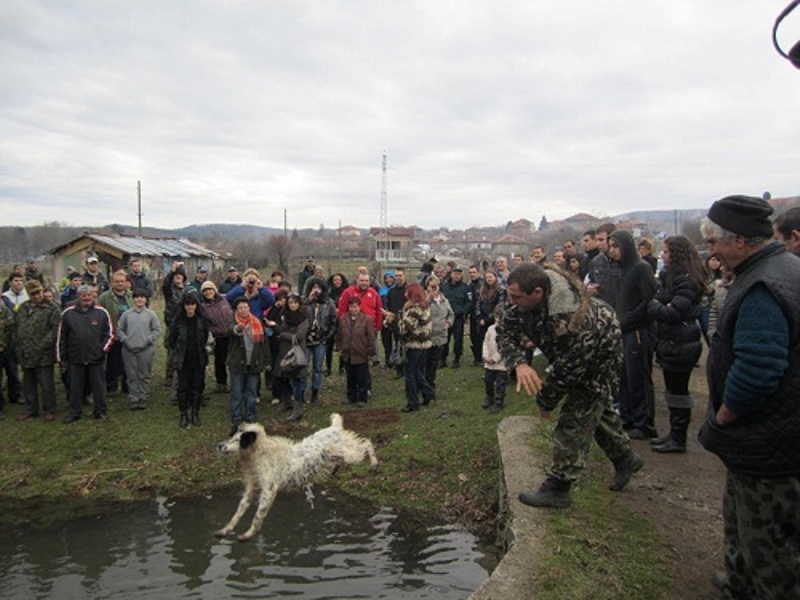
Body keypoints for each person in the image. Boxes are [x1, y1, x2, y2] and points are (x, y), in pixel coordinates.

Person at [695, 195, 800, 598]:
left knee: (769, 542)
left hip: (768, 437)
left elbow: (759, 369)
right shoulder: (782, 269)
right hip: (768, 436)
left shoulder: (763, 286)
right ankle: (738, 581)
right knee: (739, 519)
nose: (712, 253)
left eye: (714, 244)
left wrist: (726, 413)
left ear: (739, 240)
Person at [500, 263, 644, 508]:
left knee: (576, 416)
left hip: (600, 355)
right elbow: (505, 332)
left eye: (517, 297)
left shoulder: (573, 318)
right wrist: (519, 364)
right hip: (570, 355)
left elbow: (569, 370)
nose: (512, 301)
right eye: (509, 295)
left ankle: (558, 487)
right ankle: (625, 458)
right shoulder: (520, 302)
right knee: (597, 411)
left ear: (537, 293)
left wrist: (546, 399)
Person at [647, 235, 705, 453]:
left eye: (666, 252)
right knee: (672, 390)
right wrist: (660, 304)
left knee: (679, 391)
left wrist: (655, 306)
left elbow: (671, 311)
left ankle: (679, 438)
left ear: (677, 254)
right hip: (673, 340)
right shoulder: (672, 277)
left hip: (682, 342)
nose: (662, 255)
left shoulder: (687, 280)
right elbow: (662, 300)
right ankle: (673, 433)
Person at [607, 229, 658, 439]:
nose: (612, 251)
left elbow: (649, 300)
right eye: (610, 246)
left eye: (615, 246)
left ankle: (644, 422)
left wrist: (628, 320)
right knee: (625, 377)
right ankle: (628, 417)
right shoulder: (622, 269)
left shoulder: (641, 268)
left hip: (638, 331)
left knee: (638, 378)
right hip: (624, 331)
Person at [59, 285, 114, 423]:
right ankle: (74, 412)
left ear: (93, 296)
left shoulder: (102, 313)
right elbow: (61, 336)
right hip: (75, 358)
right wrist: (62, 356)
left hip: (96, 358)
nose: (86, 298)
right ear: (78, 297)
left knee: (98, 387)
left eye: (89, 295)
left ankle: (100, 411)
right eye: (83, 295)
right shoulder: (68, 313)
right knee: (75, 387)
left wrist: (102, 350)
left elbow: (110, 334)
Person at [16, 280, 60, 421]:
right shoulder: (23, 307)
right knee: (28, 384)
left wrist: (41, 346)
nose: (37, 296)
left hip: (43, 354)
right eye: (33, 293)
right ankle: (31, 410)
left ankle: (49, 410)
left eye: (39, 292)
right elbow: (19, 327)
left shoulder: (52, 308)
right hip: (25, 353)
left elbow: (54, 331)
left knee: (46, 384)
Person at [227, 296, 268, 435]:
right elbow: (229, 331)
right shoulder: (233, 322)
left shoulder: (256, 322)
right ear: (236, 310)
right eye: (240, 308)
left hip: (253, 363)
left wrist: (265, 361)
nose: (244, 310)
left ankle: (250, 417)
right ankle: (237, 419)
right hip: (237, 363)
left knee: (251, 392)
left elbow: (263, 344)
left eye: (246, 307)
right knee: (237, 392)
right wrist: (237, 329)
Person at [168, 292, 209, 428]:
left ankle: (195, 414)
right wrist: (179, 352)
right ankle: (183, 414)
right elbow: (171, 340)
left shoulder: (201, 319)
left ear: (196, 306)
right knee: (183, 388)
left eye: (193, 305)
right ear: (183, 306)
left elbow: (205, 338)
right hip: (183, 360)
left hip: (198, 359)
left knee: (197, 387)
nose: (190, 308)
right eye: (187, 305)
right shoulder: (178, 320)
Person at [116, 288, 161, 410]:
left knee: (144, 374)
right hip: (128, 350)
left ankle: (143, 397)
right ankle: (134, 398)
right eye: (137, 297)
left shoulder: (151, 314)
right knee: (132, 376)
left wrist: (147, 340)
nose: (139, 299)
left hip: (145, 350)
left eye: (142, 297)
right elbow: (119, 329)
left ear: (146, 299)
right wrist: (126, 341)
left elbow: (157, 330)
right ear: (133, 299)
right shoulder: (127, 314)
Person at [396, 283, 435, 413]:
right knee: (417, 372)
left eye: (407, 292)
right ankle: (429, 393)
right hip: (423, 345)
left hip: (414, 345)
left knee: (410, 374)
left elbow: (406, 328)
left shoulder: (414, 309)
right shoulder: (424, 306)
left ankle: (413, 402)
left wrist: (396, 320)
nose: (405, 294)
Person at [273, 293, 309, 422]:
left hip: (297, 352)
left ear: (299, 304)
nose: (293, 305)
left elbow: (298, 337)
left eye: (295, 302)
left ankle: (297, 409)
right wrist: (274, 326)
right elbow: (283, 329)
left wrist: (282, 335)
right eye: (290, 303)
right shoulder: (286, 316)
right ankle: (287, 402)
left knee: (297, 381)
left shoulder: (303, 318)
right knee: (282, 377)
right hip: (284, 352)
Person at [97, 270, 133, 396]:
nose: (120, 284)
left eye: (122, 281)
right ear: (112, 283)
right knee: (113, 362)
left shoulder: (131, 296)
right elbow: (98, 313)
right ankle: (111, 386)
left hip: (129, 335)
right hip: (114, 335)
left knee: (128, 363)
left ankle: (126, 385)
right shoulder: (105, 297)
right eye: (117, 282)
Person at [336, 295, 376, 406]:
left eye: (355, 307)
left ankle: (362, 398)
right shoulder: (343, 319)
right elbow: (339, 335)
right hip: (347, 354)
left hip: (361, 353)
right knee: (350, 377)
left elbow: (371, 337)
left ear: (359, 307)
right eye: (351, 307)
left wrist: (370, 352)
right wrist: (339, 347)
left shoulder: (366, 319)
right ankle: (351, 397)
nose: (353, 309)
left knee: (361, 378)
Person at [303, 276, 337, 403]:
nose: (316, 290)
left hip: (320, 340)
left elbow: (334, 321)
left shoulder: (329, 303)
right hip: (306, 341)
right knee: (303, 367)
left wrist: (327, 336)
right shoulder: (304, 301)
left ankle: (315, 393)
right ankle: (301, 392)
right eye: (314, 287)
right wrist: (308, 300)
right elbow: (298, 313)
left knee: (317, 368)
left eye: (318, 287)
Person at [199, 280, 234, 393]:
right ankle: (221, 383)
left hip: (232, 334)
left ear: (214, 290)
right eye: (205, 291)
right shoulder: (203, 307)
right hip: (218, 336)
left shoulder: (225, 299)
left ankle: (236, 383)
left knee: (234, 359)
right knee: (220, 361)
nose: (208, 292)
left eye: (210, 289)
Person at [424, 275, 454, 396]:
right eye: (431, 286)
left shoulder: (444, 300)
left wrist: (448, 323)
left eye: (436, 286)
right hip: (427, 336)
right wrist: (428, 298)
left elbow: (451, 314)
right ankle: (425, 385)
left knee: (434, 363)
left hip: (440, 336)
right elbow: (420, 311)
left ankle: (431, 383)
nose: (434, 289)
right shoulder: (424, 300)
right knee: (425, 363)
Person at [162, 261, 188, 390]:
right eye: (176, 275)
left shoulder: (188, 289)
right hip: (172, 325)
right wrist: (171, 271)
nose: (178, 277)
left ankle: (182, 376)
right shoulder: (169, 290)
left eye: (180, 275)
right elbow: (165, 284)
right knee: (171, 353)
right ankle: (169, 378)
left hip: (185, 325)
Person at [441, 266, 471, 368]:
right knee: (445, 339)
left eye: (459, 274)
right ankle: (442, 359)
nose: (456, 275)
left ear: (461, 275)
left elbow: (469, 302)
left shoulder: (466, 288)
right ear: (451, 274)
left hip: (458, 318)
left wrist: (463, 311)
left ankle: (457, 359)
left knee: (458, 340)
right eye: (455, 273)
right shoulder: (444, 286)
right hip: (446, 318)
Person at [474, 270, 506, 363]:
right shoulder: (482, 289)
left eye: (491, 277)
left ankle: (495, 360)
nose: (489, 279)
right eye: (487, 277)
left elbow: (500, 306)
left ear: (495, 278)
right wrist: (479, 316)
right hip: (482, 319)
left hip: (494, 319)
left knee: (495, 341)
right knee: (485, 341)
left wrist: (488, 319)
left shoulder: (501, 290)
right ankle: (484, 359)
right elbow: (478, 303)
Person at [586, 223, 620, 308]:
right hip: (604, 312)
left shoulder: (624, 261)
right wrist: (590, 289)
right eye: (596, 240)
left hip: (622, 312)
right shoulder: (596, 261)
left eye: (601, 240)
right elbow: (591, 281)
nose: (597, 244)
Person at [482, 304, 508, 414]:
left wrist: (495, 359)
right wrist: (485, 356)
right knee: (488, 381)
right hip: (489, 363)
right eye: (496, 316)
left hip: (501, 365)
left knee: (500, 384)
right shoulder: (490, 329)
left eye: (500, 317)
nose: (497, 319)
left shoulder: (507, 331)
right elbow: (485, 342)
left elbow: (504, 347)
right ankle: (489, 398)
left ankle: (499, 402)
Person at [326, 272, 349, 375]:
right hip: (330, 320)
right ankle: (328, 367)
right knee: (329, 344)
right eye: (335, 280)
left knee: (342, 343)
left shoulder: (346, 291)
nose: (337, 282)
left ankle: (342, 367)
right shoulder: (328, 292)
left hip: (342, 320)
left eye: (339, 280)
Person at [466, 264, 484, 366]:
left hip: (481, 314)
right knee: (474, 337)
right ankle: (477, 358)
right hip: (472, 314)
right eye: (470, 273)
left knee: (481, 336)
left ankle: (482, 357)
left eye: (474, 272)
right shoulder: (469, 285)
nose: (472, 274)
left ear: (478, 272)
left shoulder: (482, 284)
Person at [0, 301, 15, 420]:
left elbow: (11, 326)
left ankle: (15, 395)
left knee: (12, 372)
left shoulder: (4, 310)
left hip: (6, 348)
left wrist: (7, 344)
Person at [379, 270, 397, 366]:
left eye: (390, 278)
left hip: (394, 318)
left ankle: (396, 359)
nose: (388, 280)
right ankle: (388, 360)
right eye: (386, 278)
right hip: (383, 318)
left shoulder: (396, 290)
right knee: (386, 341)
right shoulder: (381, 290)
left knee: (397, 340)